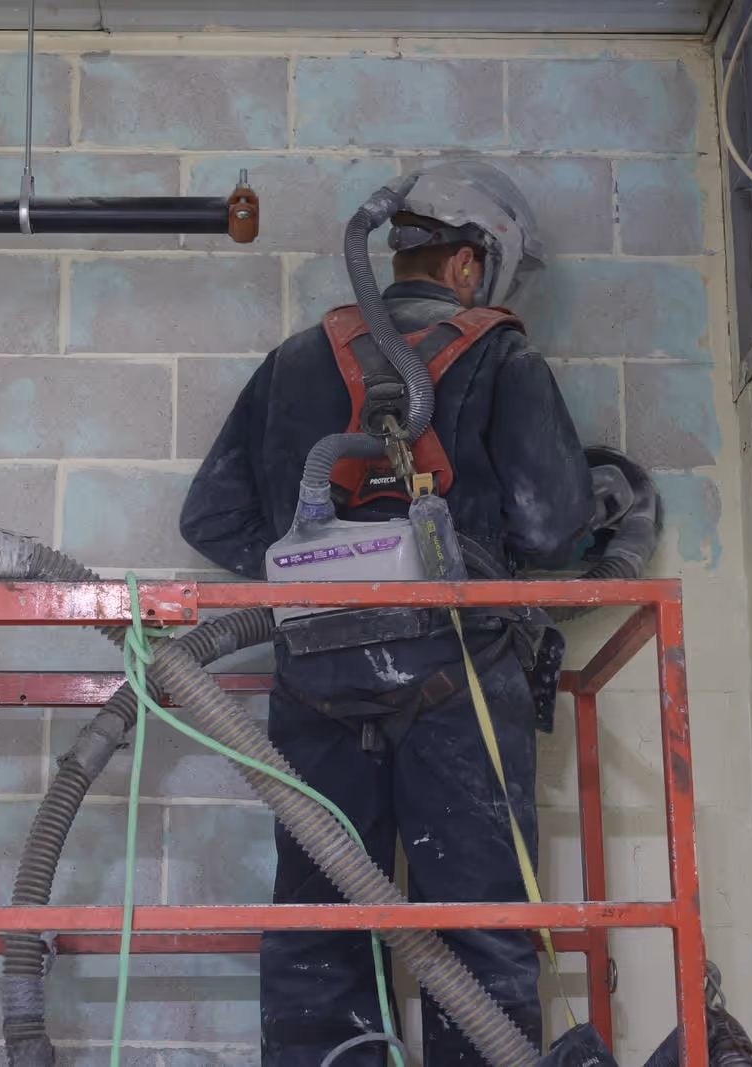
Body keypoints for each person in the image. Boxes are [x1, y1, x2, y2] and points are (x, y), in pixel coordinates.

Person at [179, 160, 594, 1066]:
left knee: (322, 930)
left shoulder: (293, 362)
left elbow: (209, 518)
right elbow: (553, 528)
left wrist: (318, 567)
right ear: (468, 266)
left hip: (317, 681)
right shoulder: (502, 355)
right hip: (460, 681)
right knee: (478, 932)